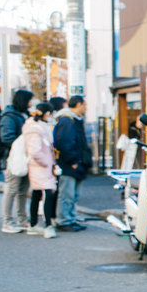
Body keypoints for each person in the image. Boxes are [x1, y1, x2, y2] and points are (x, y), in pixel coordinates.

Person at [53, 95, 92, 231]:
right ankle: (64, 220)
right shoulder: (67, 120)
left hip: (75, 162)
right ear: (78, 104)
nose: (85, 108)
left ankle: (70, 218)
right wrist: (73, 161)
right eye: (84, 105)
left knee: (73, 194)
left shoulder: (73, 120)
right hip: (70, 164)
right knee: (67, 194)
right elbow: (65, 142)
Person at [0, 89, 33, 234]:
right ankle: (7, 221)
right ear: (24, 100)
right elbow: (6, 137)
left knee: (22, 190)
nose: (32, 103)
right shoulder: (10, 116)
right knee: (11, 189)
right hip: (13, 158)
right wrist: (23, 145)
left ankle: (22, 219)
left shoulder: (24, 115)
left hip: (25, 157)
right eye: (30, 100)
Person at [23, 101, 58, 239]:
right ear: (47, 113)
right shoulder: (35, 128)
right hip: (40, 166)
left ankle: (33, 224)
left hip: (40, 166)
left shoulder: (35, 126)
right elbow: (35, 151)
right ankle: (47, 225)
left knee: (37, 194)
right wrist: (46, 162)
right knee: (47, 194)